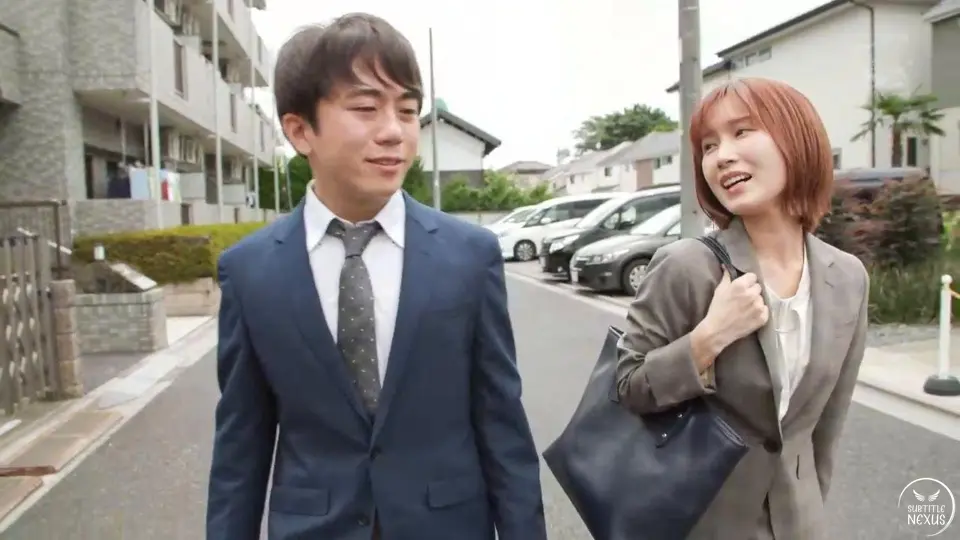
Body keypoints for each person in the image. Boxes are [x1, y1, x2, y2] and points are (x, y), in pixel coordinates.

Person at [205, 13, 547, 540]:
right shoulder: (251, 271)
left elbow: (502, 425)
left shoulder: (469, 256)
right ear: (300, 131)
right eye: (366, 108)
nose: (394, 131)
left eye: (407, 111)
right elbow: (240, 445)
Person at [615, 77, 869, 539]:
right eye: (709, 146)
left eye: (742, 132)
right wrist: (708, 338)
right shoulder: (686, 266)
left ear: (796, 138)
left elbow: (826, 427)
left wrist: (810, 512)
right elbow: (628, 387)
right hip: (700, 520)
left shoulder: (847, 277)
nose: (721, 156)